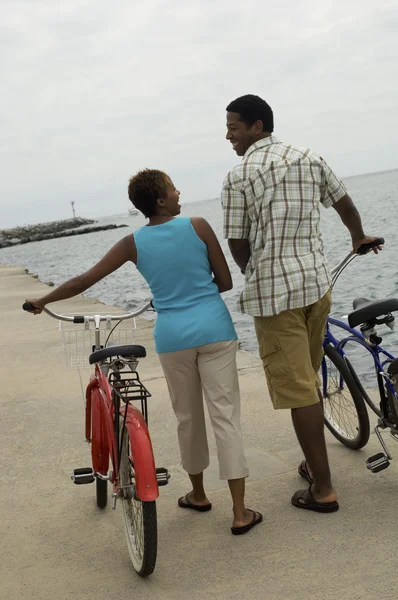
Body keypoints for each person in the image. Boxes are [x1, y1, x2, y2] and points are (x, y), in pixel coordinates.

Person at [25, 169, 262, 535]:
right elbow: (226, 282)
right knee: (225, 417)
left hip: (173, 338)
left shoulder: (132, 243)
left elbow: (85, 280)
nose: (178, 191)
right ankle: (240, 512)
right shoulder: (198, 226)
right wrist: (196, 288)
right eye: (172, 187)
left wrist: (43, 299)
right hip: (215, 329)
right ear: (161, 200)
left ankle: (198, 495)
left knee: (188, 417)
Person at [221, 94, 382, 513]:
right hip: (316, 286)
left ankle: (323, 488)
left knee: (299, 391)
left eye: (233, 127)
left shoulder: (239, 175)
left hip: (276, 297)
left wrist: (251, 270)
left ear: (257, 127)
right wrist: (357, 236)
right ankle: (315, 466)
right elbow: (343, 203)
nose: (228, 136)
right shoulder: (309, 156)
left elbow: (237, 242)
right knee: (308, 378)